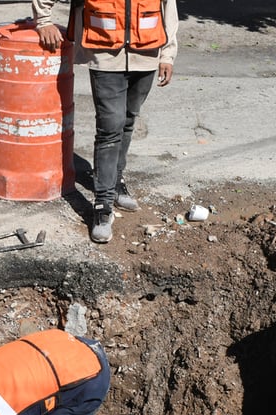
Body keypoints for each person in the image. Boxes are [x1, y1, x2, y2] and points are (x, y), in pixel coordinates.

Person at [32, 0, 178, 244]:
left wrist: (168, 55)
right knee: (110, 128)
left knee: (128, 121)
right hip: (105, 57)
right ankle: (103, 204)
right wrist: (43, 21)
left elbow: (168, 9)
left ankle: (115, 179)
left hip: (148, 55)